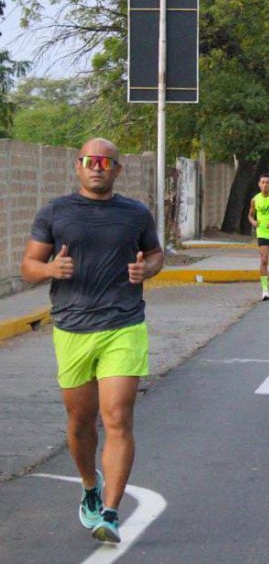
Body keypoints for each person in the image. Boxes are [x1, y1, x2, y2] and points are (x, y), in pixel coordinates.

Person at [20, 138, 164, 543]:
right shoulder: (55, 212)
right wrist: (50, 269)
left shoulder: (135, 213)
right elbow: (28, 266)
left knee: (117, 417)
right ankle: (89, 487)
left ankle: (112, 513)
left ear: (118, 169)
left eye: (106, 162)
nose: (97, 167)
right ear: (78, 167)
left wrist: (146, 271)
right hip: (72, 328)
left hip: (123, 324)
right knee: (81, 423)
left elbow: (155, 254)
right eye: (90, 161)